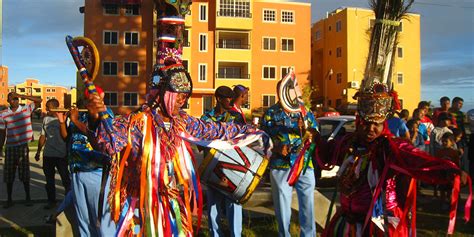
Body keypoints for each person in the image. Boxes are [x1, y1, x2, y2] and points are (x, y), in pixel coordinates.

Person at [86, 64, 263, 235]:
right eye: (178, 95)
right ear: (163, 94)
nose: (182, 100)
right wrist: (95, 118)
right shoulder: (137, 123)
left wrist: (250, 131)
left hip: (170, 205)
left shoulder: (182, 121)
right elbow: (107, 144)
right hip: (139, 207)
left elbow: (214, 130)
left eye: (185, 96)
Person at [316, 81, 468, 236]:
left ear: (384, 125)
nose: (371, 129)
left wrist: (449, 170)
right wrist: (313, 139)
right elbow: (326, 152)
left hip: (379, 226)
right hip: (347, 223)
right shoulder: (348, 144)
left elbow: (418, 160)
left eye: (377, 124)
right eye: (366, 123)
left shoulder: (390, 148)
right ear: (358, 122)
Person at [56, 88, 117, 236]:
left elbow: (97, 136)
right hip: (77, 172)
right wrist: (62, 122)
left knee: (101, 218)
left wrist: (75, 120)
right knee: (83, 219)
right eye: (85, 99)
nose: (86, 101)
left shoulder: (105, 114)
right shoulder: (82, 115)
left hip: (96, 173)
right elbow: (67, 138)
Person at [260, 82, 318, 237]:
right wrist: (277, 147)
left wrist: (306, 127)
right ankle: (284, 234)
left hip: (304, 163)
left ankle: (309, 235)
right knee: (282, 204)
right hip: (280, 165)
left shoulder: (304, 111)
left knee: (307, 203)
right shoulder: (270, 113)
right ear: (279, 91)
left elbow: (316, 134)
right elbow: (262, 139)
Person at [200, 86, 245, 237]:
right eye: (228, 98)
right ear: (218, 99)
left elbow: (244, 142)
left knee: (234, 204)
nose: (231, 101)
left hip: (233, 168)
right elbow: (201, 145)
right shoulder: (205, 119)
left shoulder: (236, 117)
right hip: (213, 168)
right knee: (213, 206)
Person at [0, 92, 42, 208]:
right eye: (12, 99)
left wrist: (22, 95)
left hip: (23, 146)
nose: (15, 100)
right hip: (10, 147)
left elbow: (39, 100)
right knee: (9, 174)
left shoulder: (26, 109)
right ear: (8, 101)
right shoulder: (3, 114)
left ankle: (28, 198)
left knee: (24, 173)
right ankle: (9, 199)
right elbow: (2, 132)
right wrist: (0, 147)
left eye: (16, 98)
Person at [35, 98, 71, 209]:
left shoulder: (66, 120)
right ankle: (51, 201)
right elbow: (42, 136)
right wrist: (38, 151)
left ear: (55, 107)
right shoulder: (46, 119)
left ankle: (68, 202)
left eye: (48, 106)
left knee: (65, 180)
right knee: (49, 181)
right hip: (48, 155)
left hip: (61, 155)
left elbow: (68, 138)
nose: (46, 109)